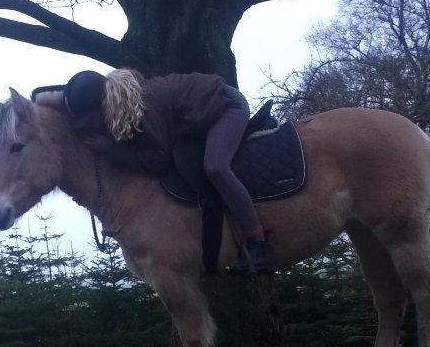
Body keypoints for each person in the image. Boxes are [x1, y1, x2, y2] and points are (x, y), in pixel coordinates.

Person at [62, 69, 275, 274]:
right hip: (198, 121)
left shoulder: (145, 107)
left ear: (103, 105)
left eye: (89, 120)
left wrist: (111, 149)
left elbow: (159, 161)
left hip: (227, 107)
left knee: (216, 167)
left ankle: (257, 241)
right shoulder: (129, 105)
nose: (90, 127)